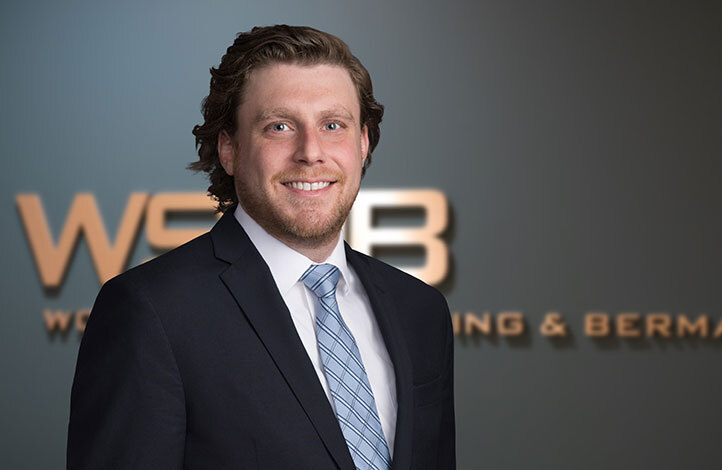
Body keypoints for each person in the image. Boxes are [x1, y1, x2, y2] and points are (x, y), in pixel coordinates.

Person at [67, 25, 454, 470]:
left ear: (363, 143)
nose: (311, 152)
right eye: (279, 126)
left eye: (333, 125)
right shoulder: (151, 312)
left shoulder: (420, 310)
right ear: (228, 149)